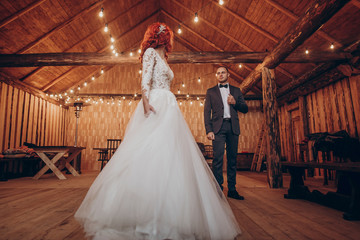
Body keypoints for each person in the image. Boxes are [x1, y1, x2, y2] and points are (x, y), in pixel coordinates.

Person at [75, 23, 241, 240]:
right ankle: (140, 211)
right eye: (162, 34)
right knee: (148, 149)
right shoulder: (151, 53)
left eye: (166, 34)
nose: (165, 37)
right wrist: (145, 103)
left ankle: (169, 209)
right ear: (156, 36)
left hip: (170, 105)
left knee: (171, 153)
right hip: (155, 103)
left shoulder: (166, 58)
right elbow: (145, 79)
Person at [204, 66, 248, 200]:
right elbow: (206, 112)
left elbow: (245, 109)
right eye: (218, 73)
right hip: (218, 128)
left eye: (223, 72)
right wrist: (209, 130)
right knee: (217, 159)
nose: (220, 74)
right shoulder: (210, 92)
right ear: (216, 76)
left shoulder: (236, 90)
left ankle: (232, 189)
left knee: (232, 159)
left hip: (233, 127)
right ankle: (218, 190)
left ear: (228, 74)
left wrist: (235, 103)